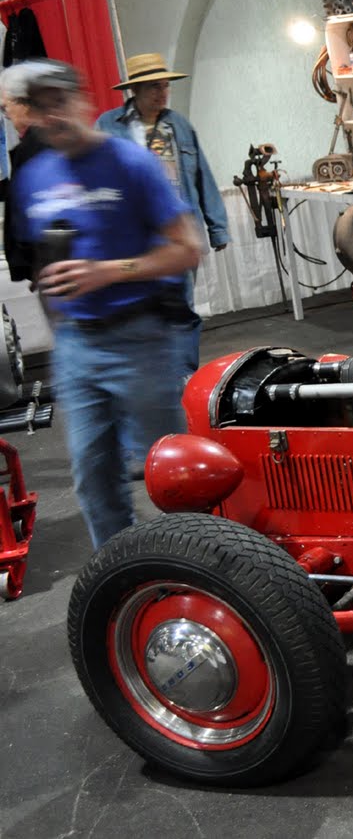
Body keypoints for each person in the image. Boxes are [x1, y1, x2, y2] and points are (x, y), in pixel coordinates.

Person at [0, 59, 203, 549]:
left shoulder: (130, 164)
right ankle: (125, 579)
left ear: (82, 100)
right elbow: (44, 259)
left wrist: (109, 271)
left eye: (60, 103)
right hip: (77, 346)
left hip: (140, 337)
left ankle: (202, 565)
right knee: (94, 481)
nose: (53, 117)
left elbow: (186, 247)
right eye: (40, 107)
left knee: (171, 472)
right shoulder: (35, 177)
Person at [95, 52, 230, 372]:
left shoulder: (179, 125)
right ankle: (152, 374)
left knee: (181, 306)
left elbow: (202, 176)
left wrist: (217, 227)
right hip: (133, 234)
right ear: (135, 91)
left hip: (178, 230)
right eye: (154, 86)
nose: (162, 92)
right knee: (138, 306)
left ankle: (184, 375)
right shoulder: (108, 126)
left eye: (165, 85)